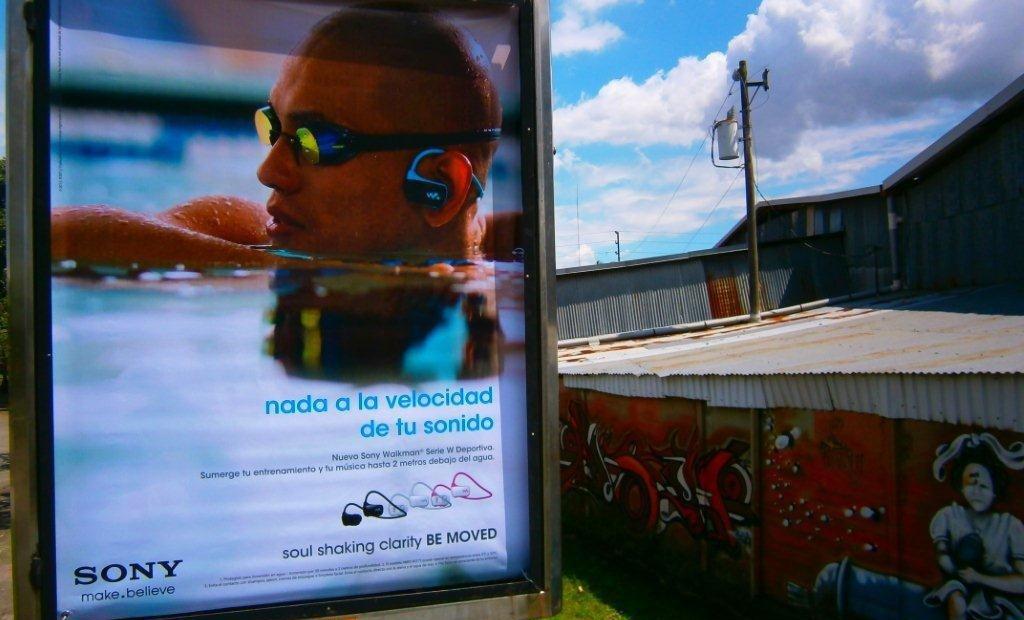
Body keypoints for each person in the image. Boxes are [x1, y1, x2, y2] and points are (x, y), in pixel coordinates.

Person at [51, 3, 503, 269]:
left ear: (440, 188)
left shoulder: (511, 266)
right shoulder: (247, 234)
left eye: (318, 141)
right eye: (274, 126)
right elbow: (60, 235)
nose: (269, 172)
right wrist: (296, 273)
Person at [926, 434, 1024, 619]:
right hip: (962, 588)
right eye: (971, 484)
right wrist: (954, 568)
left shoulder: (1011, 526)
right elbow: (942, 553)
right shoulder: (949, 516)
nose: (977, 491)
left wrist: (980, 578)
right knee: (955, 596)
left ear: (995, 491)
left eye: (984, 486)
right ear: (961, 487)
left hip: (1002, 599)